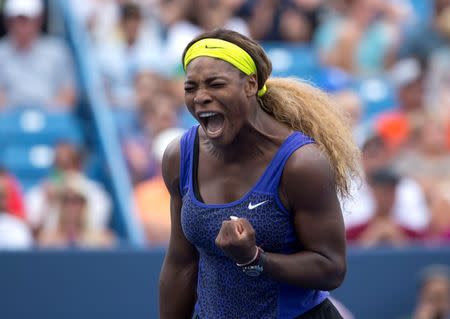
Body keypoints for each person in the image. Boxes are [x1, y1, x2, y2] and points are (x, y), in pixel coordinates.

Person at [159, 29, 360, 318]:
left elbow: (331, 268)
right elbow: (181, 263)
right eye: (191, 88)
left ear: (250, 85)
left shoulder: (301, 164)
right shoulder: (179, 156)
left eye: (215, 84)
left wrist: (255, 259)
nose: (201, 97)